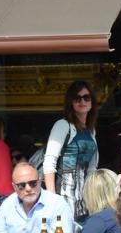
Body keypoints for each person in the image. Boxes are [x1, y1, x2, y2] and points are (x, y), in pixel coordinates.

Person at [42, 81, 99, 222]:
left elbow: (91, 169)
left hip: (85, 197)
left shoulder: (91, 131)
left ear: (92, 102)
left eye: (86, 97)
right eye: (77, 98)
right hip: (64, 193)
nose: (82, 101)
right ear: (70, 102)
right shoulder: (62, 125)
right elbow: (49, 163)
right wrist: (52, 200)